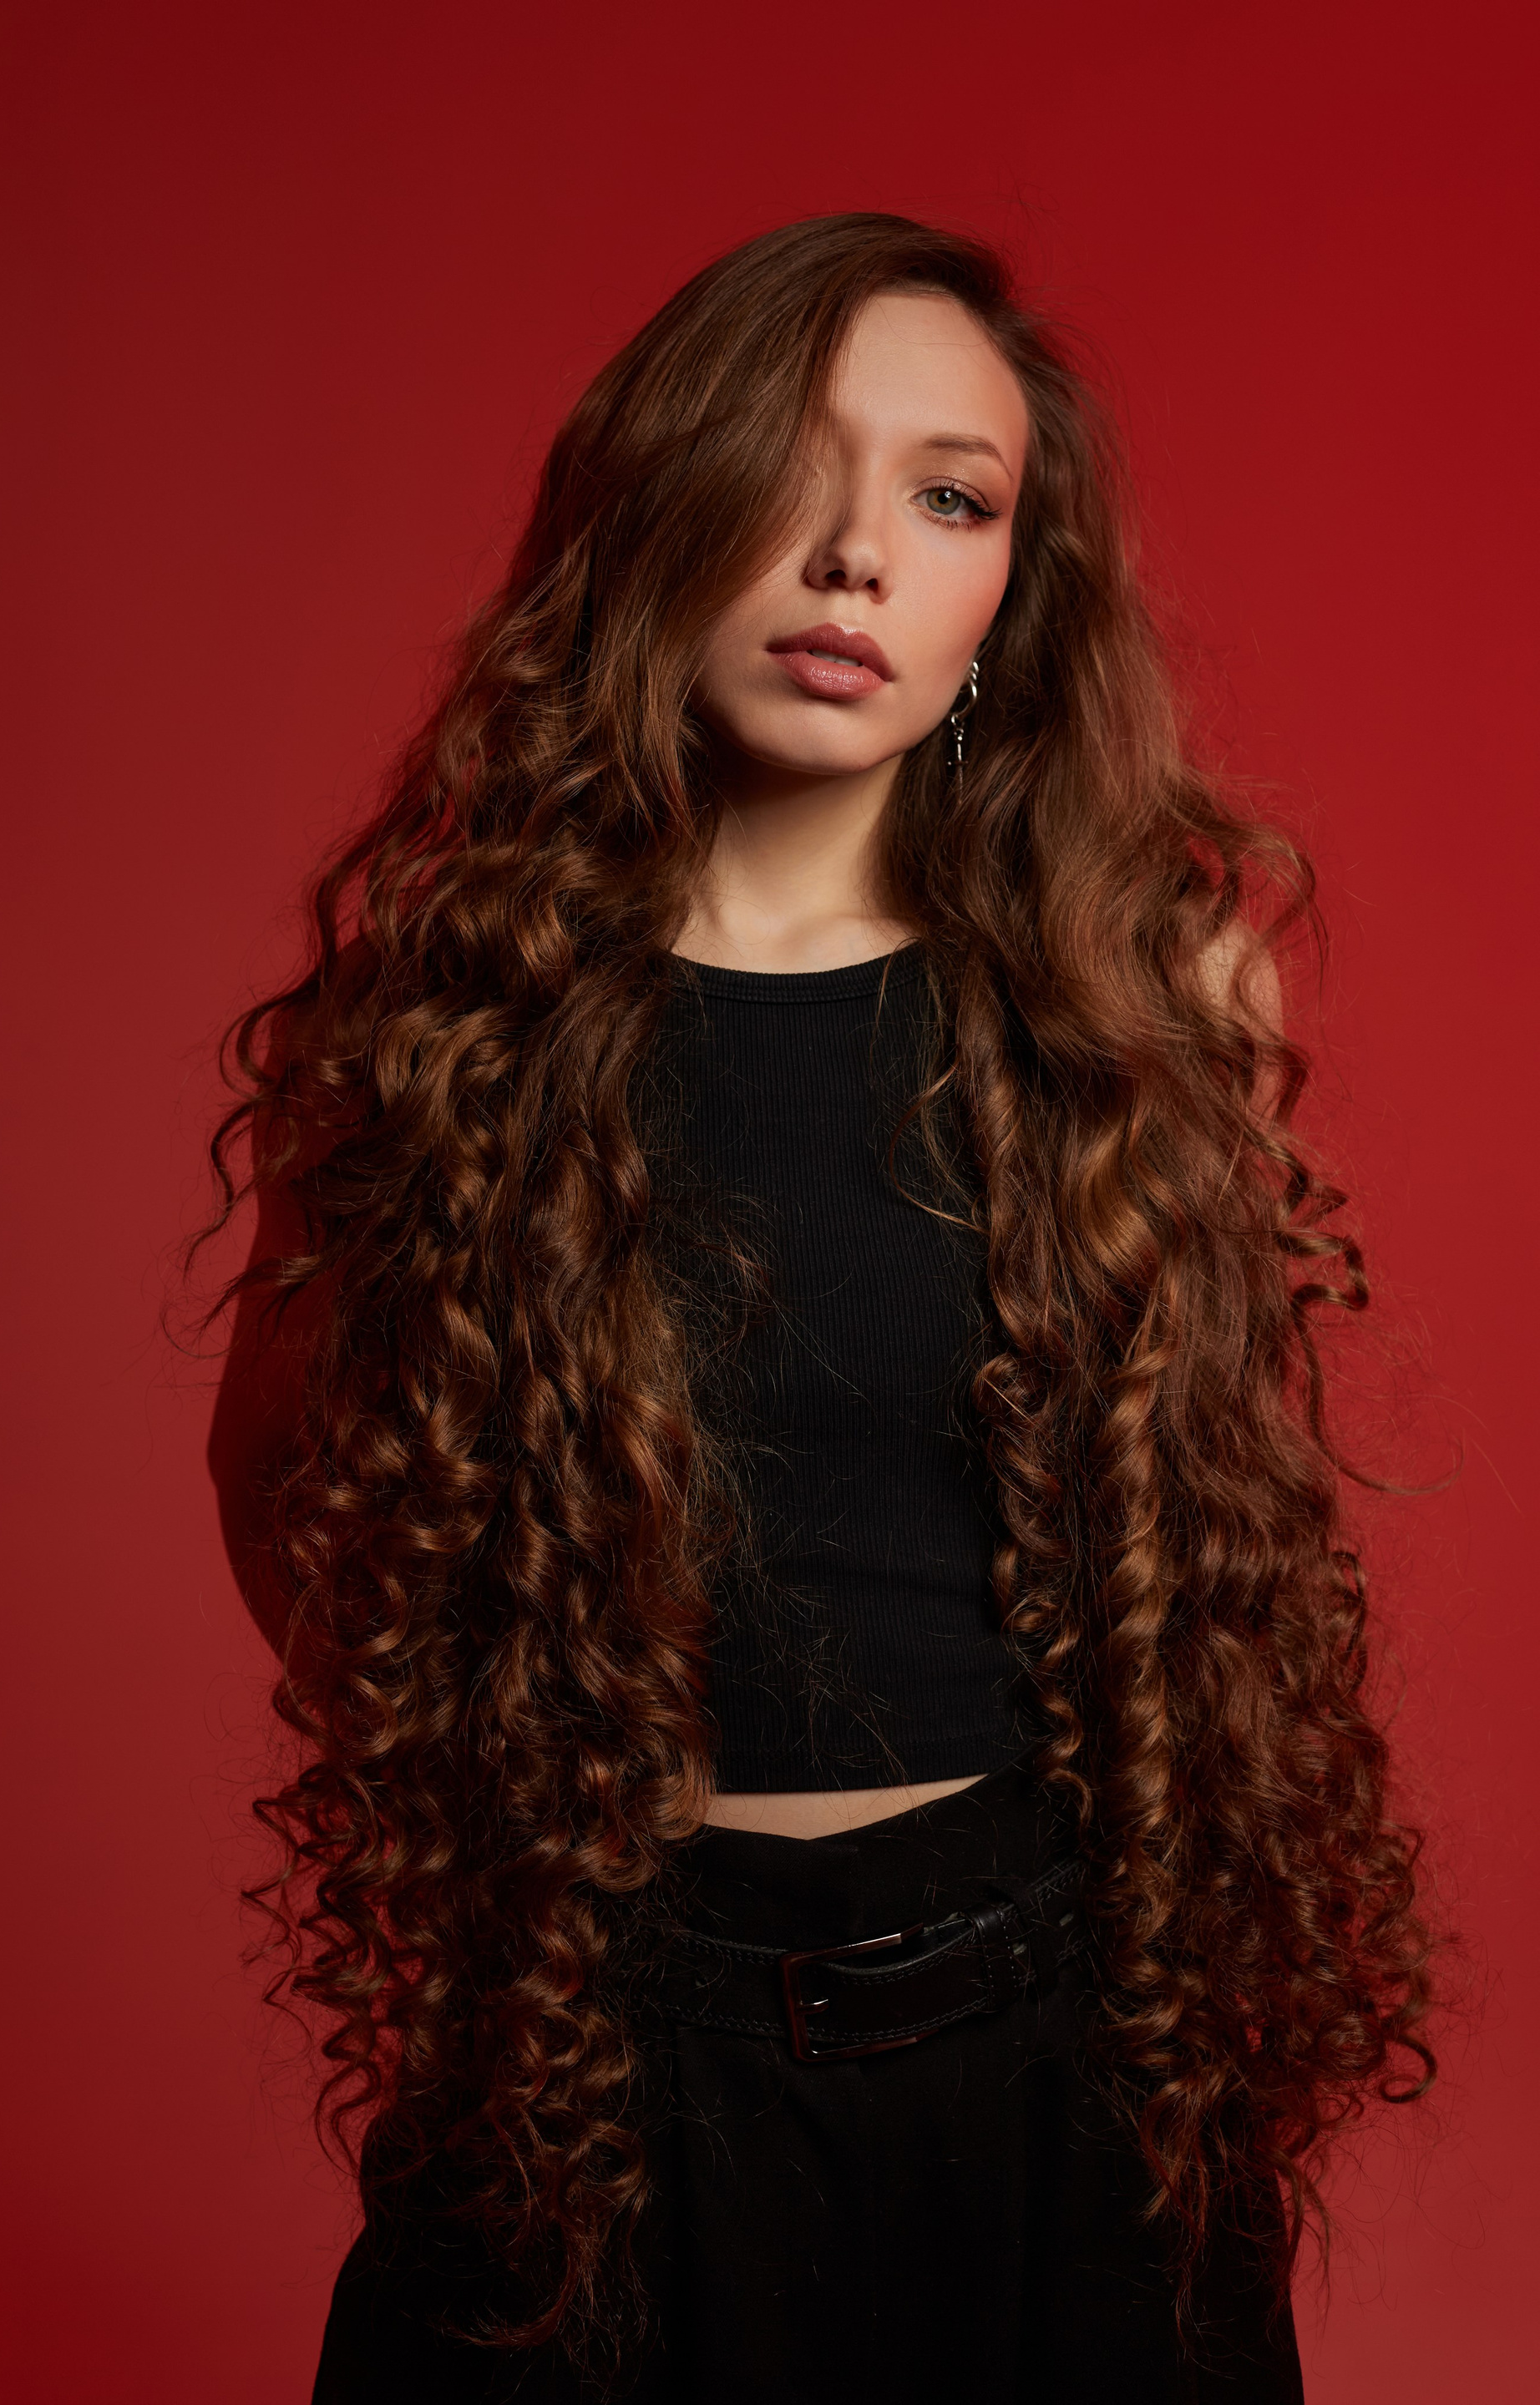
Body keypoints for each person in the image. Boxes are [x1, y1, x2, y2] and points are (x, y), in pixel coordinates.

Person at [205, 214, 1433, 2402]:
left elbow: (1195, 1509)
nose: (857, 553)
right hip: (596, 2037)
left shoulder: (1140, 1007)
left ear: (1011, 596)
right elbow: (285, 1480)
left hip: (1059, 2044)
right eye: (795, 468)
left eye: (950, 498)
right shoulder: (451, 1024)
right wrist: (518, 1760)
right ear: (659, 504)